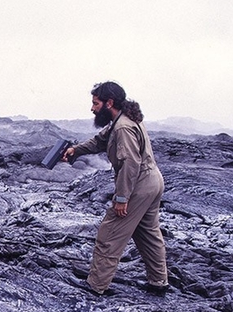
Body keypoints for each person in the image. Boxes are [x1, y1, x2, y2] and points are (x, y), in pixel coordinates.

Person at [63, 81, 169, 296]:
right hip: (153, 182)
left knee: (109, 233)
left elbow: (130, 163)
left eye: (95, 103)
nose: (92, 108)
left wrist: (122, 198)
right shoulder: (122, 121)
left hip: (139, 184)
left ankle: (96, 285)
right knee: (148, 233)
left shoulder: (122, 127)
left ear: (109, 103)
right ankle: (158, 282)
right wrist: (76, 150)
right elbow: (99, 142)